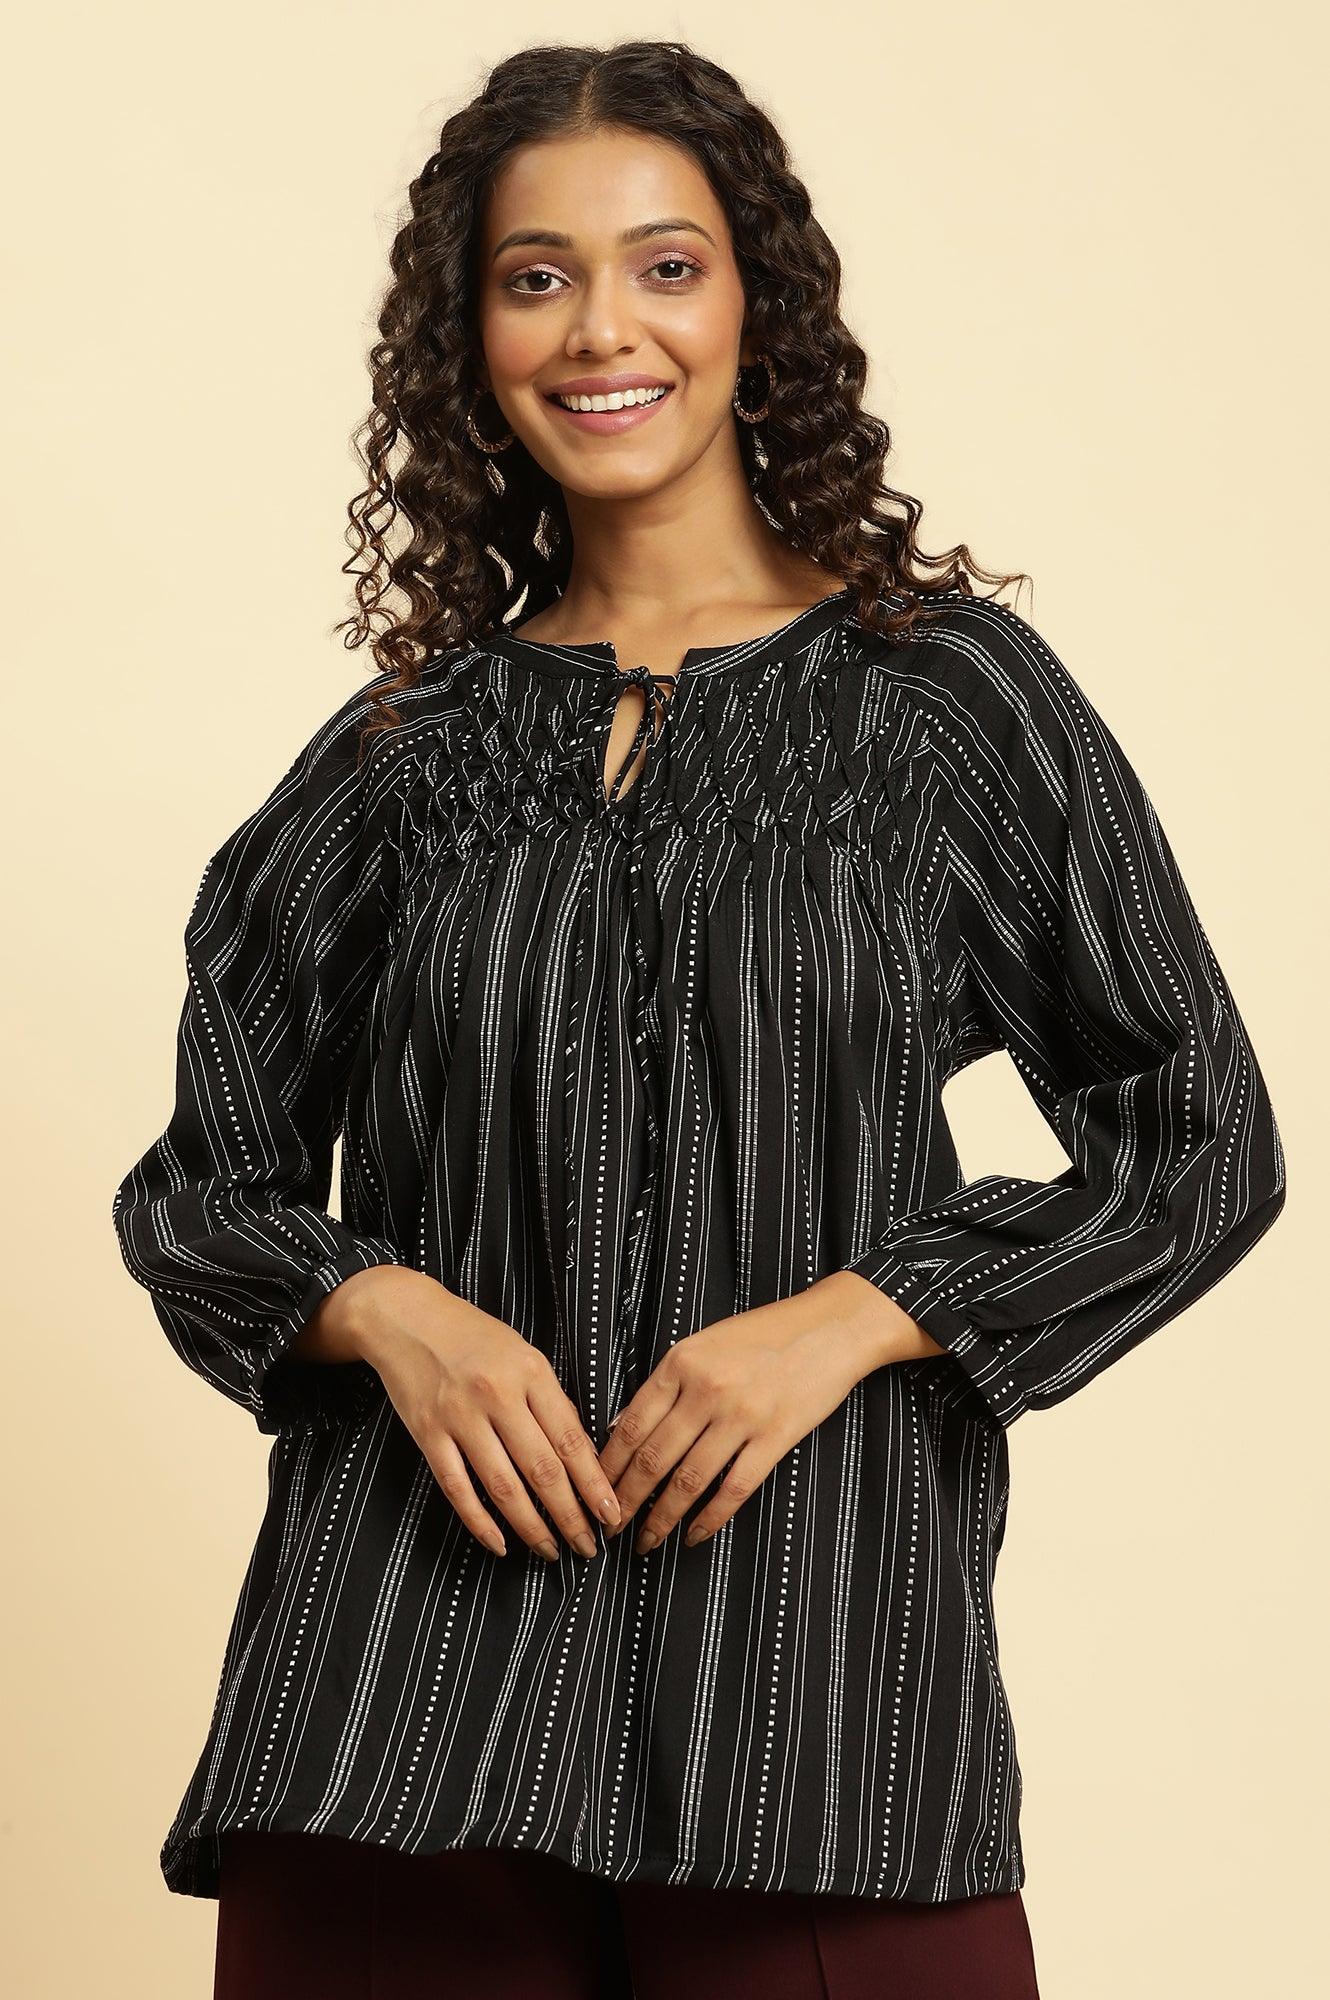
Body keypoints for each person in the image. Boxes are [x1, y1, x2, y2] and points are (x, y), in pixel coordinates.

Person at [110, 39, 1285, 2000]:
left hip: (813, 1707)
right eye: (535, 276)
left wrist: (857, 1315)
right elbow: (197, 1189)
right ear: (470, 336)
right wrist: (383, 1310)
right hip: (391, 1721)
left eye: (664, 266)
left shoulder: (940, 704)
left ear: (757, 308)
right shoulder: (404, 754)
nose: (602, 329)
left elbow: (1198, 1134)